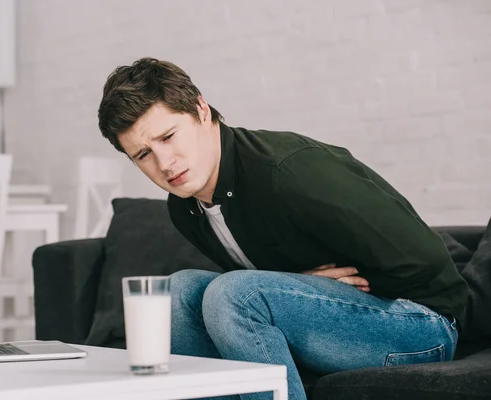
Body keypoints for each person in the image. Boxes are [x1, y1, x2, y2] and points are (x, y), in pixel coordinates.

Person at [97, 57, 467, 400]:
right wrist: (305, 288)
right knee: (178, 291)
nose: (164, 163)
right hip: (333, 324)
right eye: (143, 155)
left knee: (233, 294)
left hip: (422, 324)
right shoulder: (185, 209)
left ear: (201, 110)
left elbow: (425, 259)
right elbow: (271, 292)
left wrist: (330, 293)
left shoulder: (286, 171)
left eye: (168, 137)